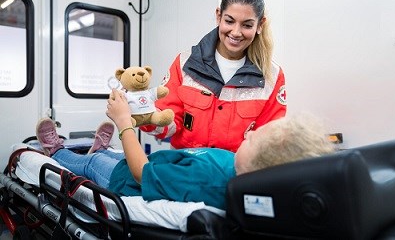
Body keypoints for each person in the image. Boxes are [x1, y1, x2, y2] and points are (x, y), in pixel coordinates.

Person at [36, 90, 333, 210]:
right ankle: (99, 149)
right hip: (153, 162)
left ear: (261, 168)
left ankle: (54, 151)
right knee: (106, 154)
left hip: (125, 177)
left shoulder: (208, 180)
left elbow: (141, 174)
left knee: (93, 165)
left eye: (255, 139)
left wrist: (125, 121)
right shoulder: (234, 169)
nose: (251, 132)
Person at [139, 0, 287, 152]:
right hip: (186, 168)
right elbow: (170, 122)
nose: (236, 32)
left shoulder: (272, 76)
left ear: (260, 25)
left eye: (247, 25)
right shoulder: (185, 63)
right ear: (218, 16)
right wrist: (146, 117)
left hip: (236, 173)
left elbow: (269, 141)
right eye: (229, 21)